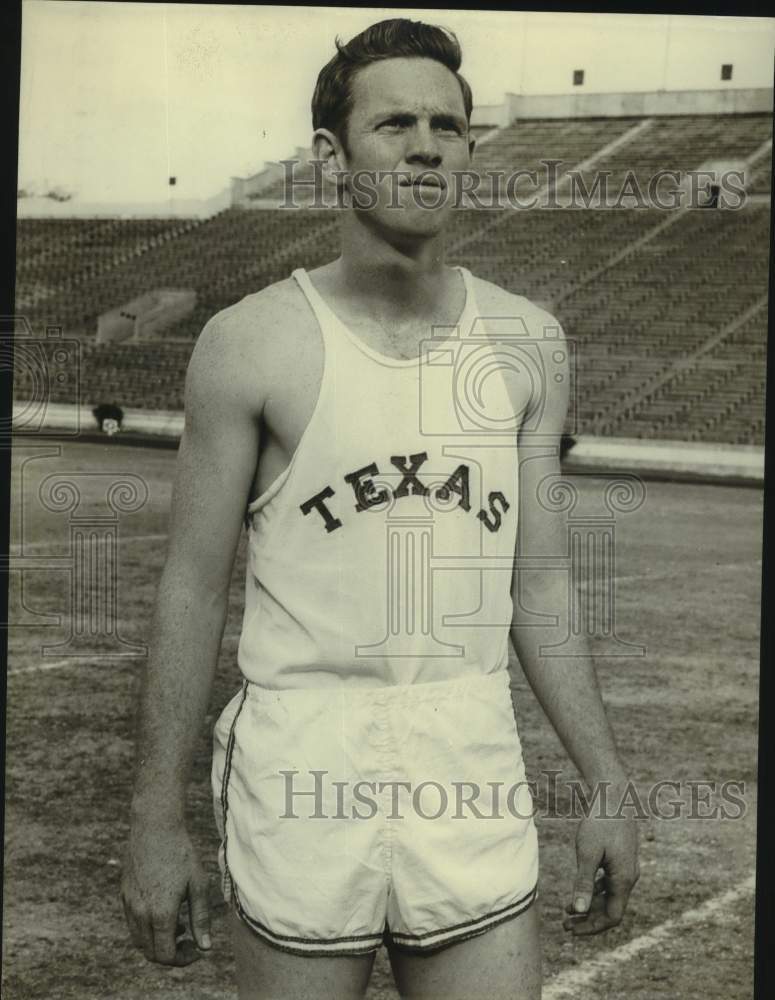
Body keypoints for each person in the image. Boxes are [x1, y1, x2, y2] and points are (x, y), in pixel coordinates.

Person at [121, 18, 639, 999]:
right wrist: (153, 820)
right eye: (394, 122)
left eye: (447, 125)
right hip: (302, 760)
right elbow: (191, 589)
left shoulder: (528, 343)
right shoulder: (251, 343)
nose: (425, 145)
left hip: (467, 754)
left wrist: (606, 781)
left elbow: (541, 580)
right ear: (332, 154)